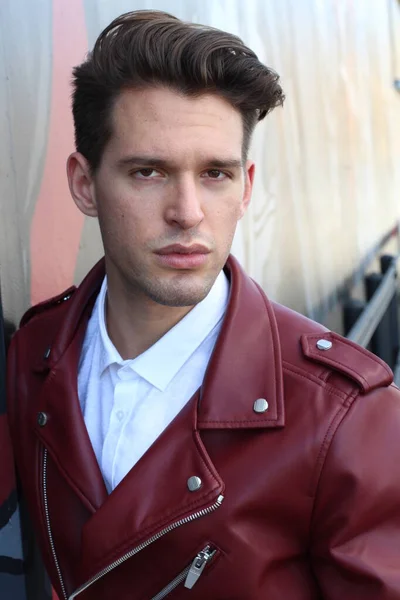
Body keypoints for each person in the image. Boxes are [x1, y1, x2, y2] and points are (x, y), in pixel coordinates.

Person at [6, 10, 400, 600]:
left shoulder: (346, 417)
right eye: (148, 172)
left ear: (245, 188)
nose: (187, 212)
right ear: (85, 185)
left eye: (215, 173)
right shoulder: (34, 353)